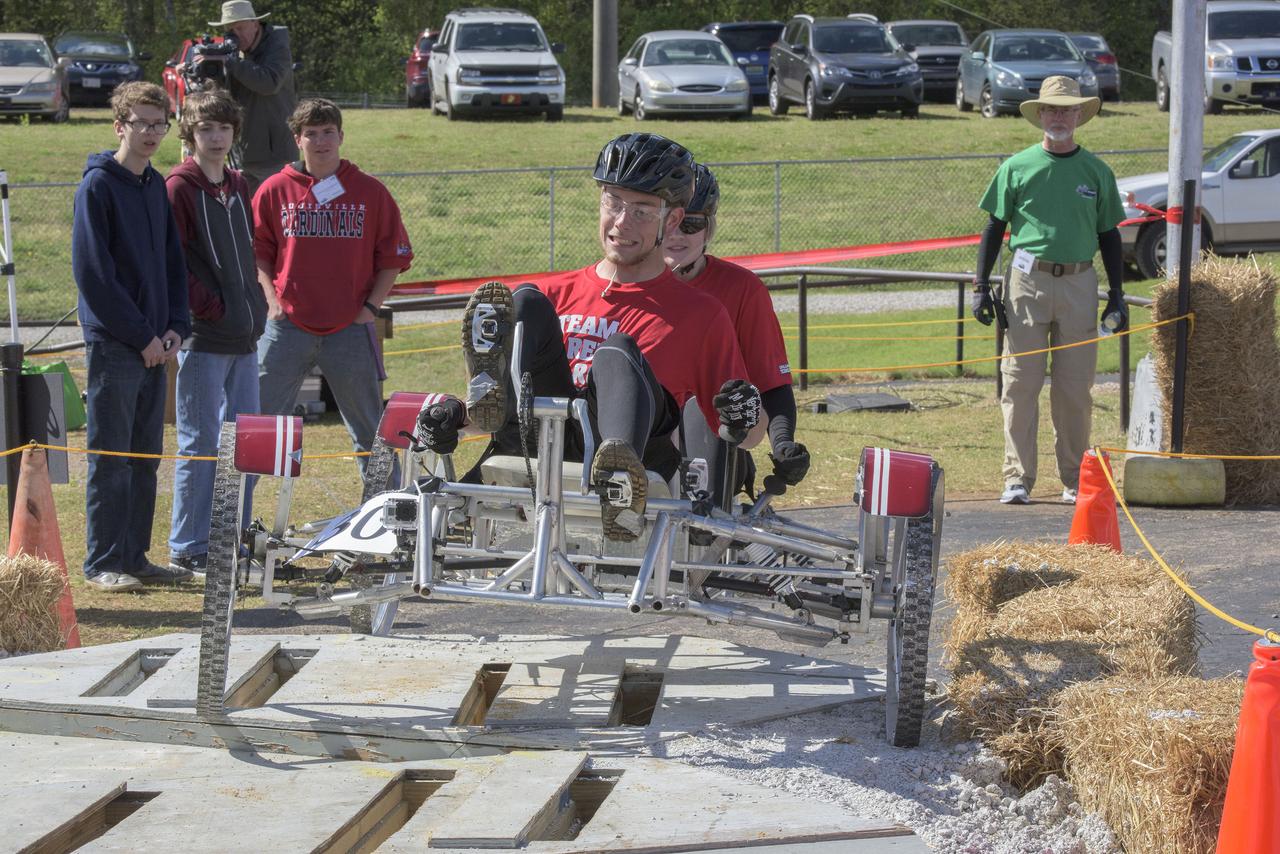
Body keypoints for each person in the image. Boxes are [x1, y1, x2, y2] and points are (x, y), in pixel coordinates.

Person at [416, 133, 762, 542]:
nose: (621, 222)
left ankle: (620, 476)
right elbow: (493, 410)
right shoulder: (555, 293)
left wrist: (744, 412)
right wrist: (455, 419)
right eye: (613, 202)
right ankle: (505, 413)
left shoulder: (702, 314)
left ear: (671, 220)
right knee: (524, 303)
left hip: (638, 456)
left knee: (617, 352)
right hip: (539, 445)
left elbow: (748, 435)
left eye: (641, 211)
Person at [971, 75, 1127, 506]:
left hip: (1079, 282)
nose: (1059, 117)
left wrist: (1117, 294)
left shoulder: (1096, 171)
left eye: (1067, 110)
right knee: (1020, 382)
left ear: (1079, 115)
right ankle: (1016, 477)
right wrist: (980, 286)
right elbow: (994, 227)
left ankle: (1075, 477)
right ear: (1040, 114)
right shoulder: (1017, 167)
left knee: (1074, 387)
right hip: (1027, 282)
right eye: (1052, 109)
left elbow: (1109, 234)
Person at [71, 82, 192, 592]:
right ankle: (102, 563)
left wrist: (175, 326)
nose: (151, 133)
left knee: (145, 457)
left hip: (156, 344)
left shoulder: (155, 185)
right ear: (119, 126)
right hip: (117, 345)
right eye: (141, 123)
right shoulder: (97, 186)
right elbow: (94, 276)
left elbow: (172, 264)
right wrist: (141, 336)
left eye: (159, 124)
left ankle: (135, 557)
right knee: (111, 458)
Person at [253, 98, 413, 477]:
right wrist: (271, 301)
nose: (321, 141)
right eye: (311, 133)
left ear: (341, 136)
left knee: (370, 430)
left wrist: (370, 309)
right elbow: (258, 253)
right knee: (259, 425)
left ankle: (387, 508)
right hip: (286, 326)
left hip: (350, 328)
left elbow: (393, 257)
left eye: (328, 132)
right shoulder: (275, 189)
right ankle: (238, 508)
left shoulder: (369, 191)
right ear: (298, 139)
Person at [663, 163, 810, 505]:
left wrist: (783, 442)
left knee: (709, 404)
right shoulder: (623, 284)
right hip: (642, 445)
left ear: (708, 229)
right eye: (668, 223)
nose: (677, 234)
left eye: (691, 224)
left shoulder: (742, 289)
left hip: (712, 448)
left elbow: (771, 383)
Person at [165, 89, 267, 577]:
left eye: (224, 127)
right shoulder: (178, 188)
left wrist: (254, 306)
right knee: (200, 443)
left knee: (245, 442)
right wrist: (214, 309)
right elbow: (175, 264)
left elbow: (248, 252)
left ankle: (233, 536)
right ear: (190, 133)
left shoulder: (239, 184)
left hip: (245, 336)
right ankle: (189, 545)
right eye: (206, 128)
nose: (216, 137)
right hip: (204, 337)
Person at [200, 0, 298, 196]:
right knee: (245, 211)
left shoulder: (277, 46)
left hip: (275, 155)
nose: (236, 35)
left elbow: (269, 83)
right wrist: (207, 72)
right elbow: (223, 97)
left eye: (240, 28)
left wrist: (230, 62)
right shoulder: (235, 53)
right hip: (243, 154)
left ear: (255, 24)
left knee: (277, 210)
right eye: (230, 30)